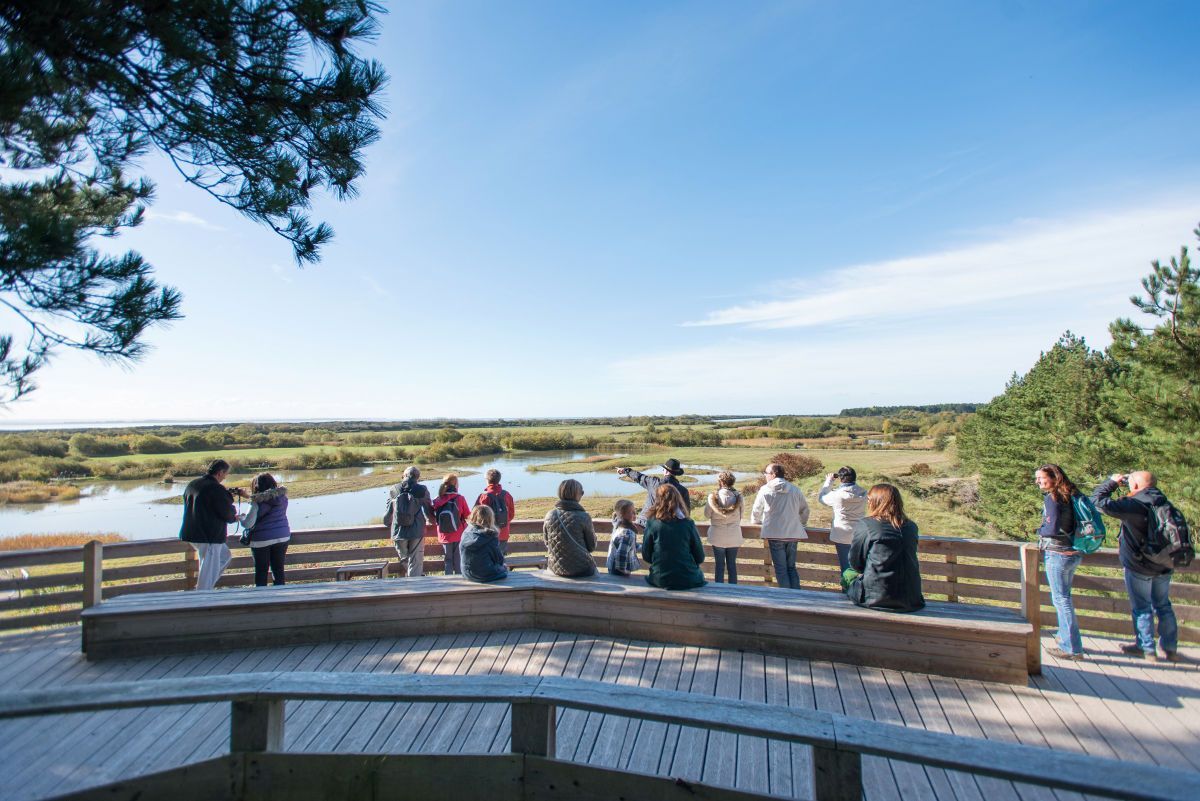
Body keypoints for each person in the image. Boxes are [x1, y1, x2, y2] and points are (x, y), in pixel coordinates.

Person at [1092, 471, 1180, 662]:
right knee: (1163, 606)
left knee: (1142, 607)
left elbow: (1096, 502)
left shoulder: (1134, 504)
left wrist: (1111, 482)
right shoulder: (1165, 503)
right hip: (1164, 563)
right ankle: (1170, 648)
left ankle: (1146, 648)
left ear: (1136, 485)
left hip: (1139, 564)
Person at [845, 483, 925, 612]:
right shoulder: (911, 526)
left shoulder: (867, 525)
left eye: (869, 499)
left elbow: (856, 563)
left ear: (876, 502)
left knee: (847, 575)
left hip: (876, 598)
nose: (867, 502)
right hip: (911, 599)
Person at [1035, 464, 1084, 660]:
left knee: (1061, 600)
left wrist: (1039, 530)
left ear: (1054, 478)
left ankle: (1071, 648)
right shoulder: (1071, 495)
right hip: (1073, 551)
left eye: (1041, 478)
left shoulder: (1053, 498)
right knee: (1065, 598)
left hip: (1058, 553)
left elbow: (1052, 528)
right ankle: (1065, 637)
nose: (1038, 481)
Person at [179, 459, 239, 591]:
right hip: (209, 535)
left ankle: (205, 588)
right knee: (208, 569)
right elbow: (226, 513)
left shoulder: (193, 484)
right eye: (225, 474)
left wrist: (226, 495)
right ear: (220, 472)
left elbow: (205, 504)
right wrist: (234, 515)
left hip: (191, 532)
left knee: (224, 557)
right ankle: (202, 595)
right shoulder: (215, 488)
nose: (225, 477)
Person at [751, 463, 810, 589]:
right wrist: (802, 524)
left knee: (781, 569)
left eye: (766, 473)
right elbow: (805, 510)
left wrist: (756, 521)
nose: (765, 475)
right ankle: (797, 595)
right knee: (791, 567)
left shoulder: (765, 489)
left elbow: (756, 510)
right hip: (793, 533)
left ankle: (786, 597)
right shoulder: (794, 489)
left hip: (775, 533)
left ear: (773, 474)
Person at [643, 485, 706, 590]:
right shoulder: (688, 524)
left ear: (657, 500)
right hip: (689, 579)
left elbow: (646, 556)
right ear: (678, 499)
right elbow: (700, 557)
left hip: (660, 579)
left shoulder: (652, 524)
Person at [240, 473, 290, 587]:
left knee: (261, 571)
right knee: (278, 569)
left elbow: (248, 523)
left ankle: (261, 596)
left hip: (261, 539)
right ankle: (280, 593)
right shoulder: (282, 498)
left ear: (256, 486)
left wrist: (242, 518)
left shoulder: (256, 502)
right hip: (282, 536)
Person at [384, 466, 435, 578]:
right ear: (417, 477)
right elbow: (428, 512)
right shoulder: (422, 490)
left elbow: (388, 513)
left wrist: (387, 523)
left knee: (405, 559)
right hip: (417, 530)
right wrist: (434, 522)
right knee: (415, 561)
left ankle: (412, 580)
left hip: (398, 531)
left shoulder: (394, 489)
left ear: (404, 476)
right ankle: (415, 583)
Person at [818, 466, 868, 575]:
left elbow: (821, 498)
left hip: (842, 535)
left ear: (841, 478)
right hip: (860, 534)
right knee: (860, 567)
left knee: (846, 568)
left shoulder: (837, 495)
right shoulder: (864, 493)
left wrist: (829, 481)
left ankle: (847, 585)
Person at [543, 479, 597, 578]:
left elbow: (547, 543)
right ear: (576, 494)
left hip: (556, 569)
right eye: (581, 492)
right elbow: (591, 547)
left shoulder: (550, 515)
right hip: (582, 570)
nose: (582, 494)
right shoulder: (584, 517)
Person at [615, 458, 691, 526]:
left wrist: (625, 470)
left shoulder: (653, 482)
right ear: (676, 473)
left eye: (663, 469)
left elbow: (639, 477)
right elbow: (686, 512)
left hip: (647, 522)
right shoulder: (683, 490)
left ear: (665, 471)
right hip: (670, 526)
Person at [703, 471, 744, 584]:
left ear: (720, 482)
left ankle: (719, 589)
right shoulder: (739, 497)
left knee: (719, 566)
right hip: (734, 535)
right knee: (732, 565)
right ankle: (733, 589)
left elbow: (707, 515)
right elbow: (742, 515)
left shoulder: (712, 497)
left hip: (717, 536)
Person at [431, 474, 470, 576]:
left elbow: (433, 515)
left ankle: (448, 580)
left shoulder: (437, 499)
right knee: (458, 559)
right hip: (458, 533)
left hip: (444, 534)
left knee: (447, 560)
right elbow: (467, 515)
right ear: (456, 484)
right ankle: (459, 579)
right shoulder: (460, 498)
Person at [460, 505, 509, 583]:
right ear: (490, 518)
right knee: (504, 568)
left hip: (467, 573)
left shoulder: (466, 532)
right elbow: (499, 560)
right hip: (484, 575)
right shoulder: (490, 536)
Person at [476, 469, 516, 555]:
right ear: (499, 479)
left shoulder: (484, 496)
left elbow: (476, 517)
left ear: (487, 480)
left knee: (487, 559)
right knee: (501, 559)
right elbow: (511, 515)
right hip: (503, 533)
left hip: (487, 535)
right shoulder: (507, 495)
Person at [607, 498, 641, 577]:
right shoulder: (627, 533)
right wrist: (623, 570)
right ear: (623, 515)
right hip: (620, 570)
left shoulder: (618, 526)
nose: (635, 513)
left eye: (634, 511)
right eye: (631, 512)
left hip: (612, 566)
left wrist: (642, 547)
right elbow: (621, 554)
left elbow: (629, 544)